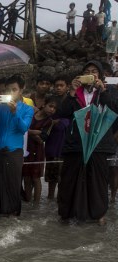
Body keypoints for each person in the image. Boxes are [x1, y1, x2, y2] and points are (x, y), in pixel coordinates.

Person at [56, 60, 118, 224]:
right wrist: (71, 92)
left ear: (100, 75)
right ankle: (66, 213)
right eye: (87, 71)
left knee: (97, 179)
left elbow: (114, 111)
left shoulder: (108, 90)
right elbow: (61, 113)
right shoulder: (75, 93)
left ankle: (98, 214)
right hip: (76, 143)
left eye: (94, 71)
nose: (91, 73)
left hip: (98, 143)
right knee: (69, 179)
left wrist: (103, 91)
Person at [0, 74, 34, 219]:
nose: (10, 93)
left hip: (15, 151)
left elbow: (23, 128)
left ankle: (13, 213)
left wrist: (15, 112)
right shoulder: (0, 107)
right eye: (7, 90)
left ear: (21, 90)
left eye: (14, 89)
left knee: (13, 183)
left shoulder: (27, 109)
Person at [24, 95, 57, 203]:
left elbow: (42, 139)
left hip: (37, 150)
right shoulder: (32, 113)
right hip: (26, 147)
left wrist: (28, 131)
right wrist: (34, 132)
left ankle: (36, 205)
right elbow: (25, 128)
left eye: (54, 108)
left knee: (36, 177)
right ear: (44, 105)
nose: (52, 110)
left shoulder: (49, 121)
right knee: (26, 177)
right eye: (50, 106)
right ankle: (28, 202)